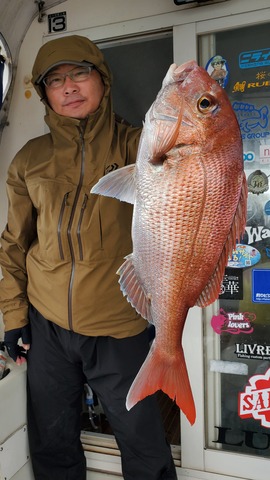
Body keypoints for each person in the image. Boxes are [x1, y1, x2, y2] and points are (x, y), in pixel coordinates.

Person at [0, 35, 177, 480]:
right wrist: (13, 316)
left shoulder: (142, 147)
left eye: (80, 73)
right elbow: (14, 244)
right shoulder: (28, 160)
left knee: (142, 441)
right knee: (52, 443)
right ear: (44, 94)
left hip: (120, 326)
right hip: (47, 327)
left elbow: (192, 161)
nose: (69, 87)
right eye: (55, 80)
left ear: (103, 78)